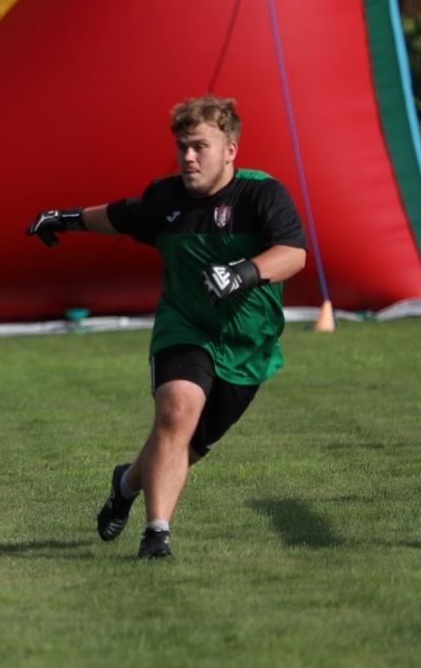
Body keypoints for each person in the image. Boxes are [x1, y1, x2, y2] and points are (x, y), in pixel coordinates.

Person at [26, 94, 307, 559]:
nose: (189, 157)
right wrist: (66, 218)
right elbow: (121, 215)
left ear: (231, 150)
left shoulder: (261, 194)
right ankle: (157, 533)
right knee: (175, 414)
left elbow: (293, 253)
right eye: (182, 148)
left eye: (200, 146)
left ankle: (125, 482)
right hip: (185, 326)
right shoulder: (167, 198)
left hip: (248, 344)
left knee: (186, 448)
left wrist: (243, 272)